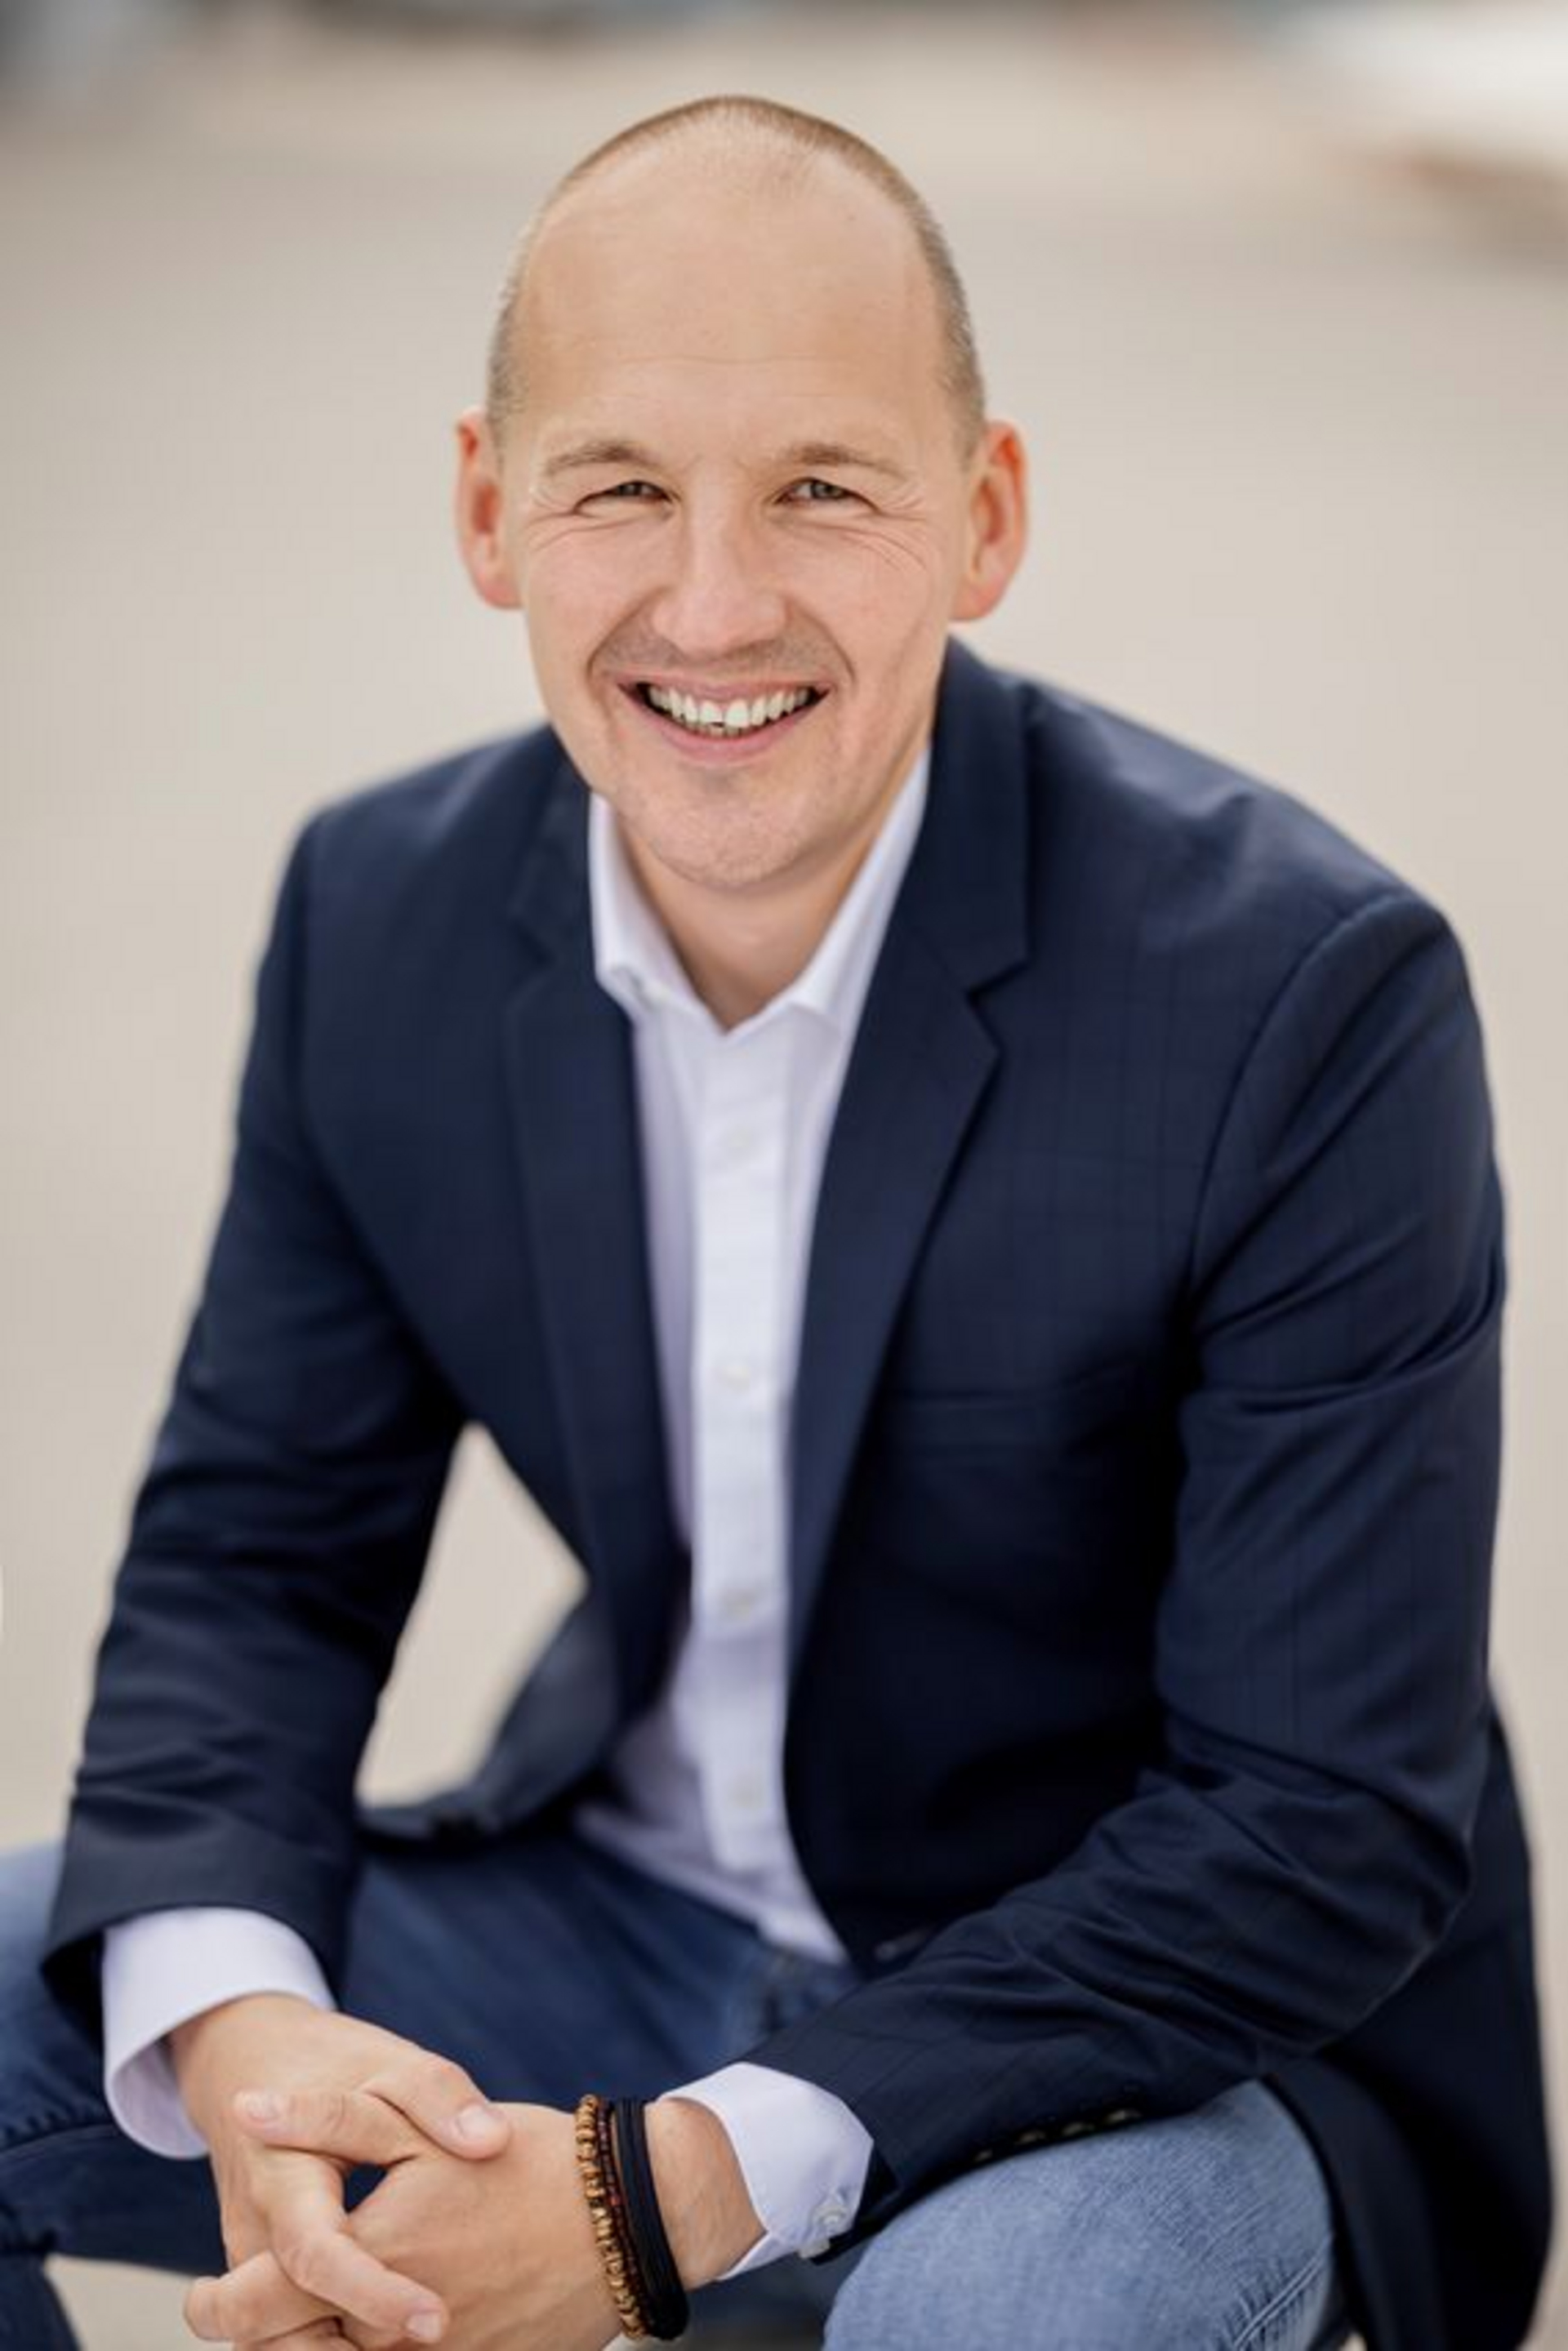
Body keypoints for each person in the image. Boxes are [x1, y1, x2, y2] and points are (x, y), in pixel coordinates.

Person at [0, 93, 1552, 2351]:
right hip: (619, 1928)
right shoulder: (381, 915)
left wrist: (660, 2197)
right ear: (487, 511)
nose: (713, 604)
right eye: (620, 487)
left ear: (985, 516)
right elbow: (259, 1556)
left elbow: (1312, 1822)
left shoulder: (1305, 996)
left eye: (824, 488)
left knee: (1006, 2314)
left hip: (1159, 2036)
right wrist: (239, 2027)